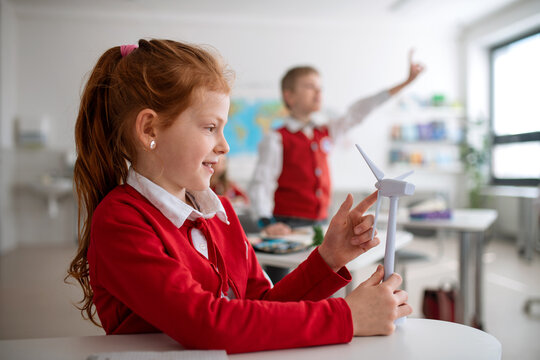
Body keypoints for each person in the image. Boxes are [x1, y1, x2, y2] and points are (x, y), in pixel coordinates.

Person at [67, 39, 412, 354]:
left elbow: (263, 305)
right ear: (149, 129)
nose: (224, 145)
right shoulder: (120, 221)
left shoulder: (220, 213)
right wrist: (346, 316)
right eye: (209, 127)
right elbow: (206, 323)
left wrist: (327, 258)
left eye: (224, 127)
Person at [249, 51, 425, 237]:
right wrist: (266, 221)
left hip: (321, 222)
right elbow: (261, 183)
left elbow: (359, 111)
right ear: (289, 96)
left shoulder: (327, 130)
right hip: (286, 224)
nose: (318, 92)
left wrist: (405, 83)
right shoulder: (277, 138)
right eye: (310, 86)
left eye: (320, 88)